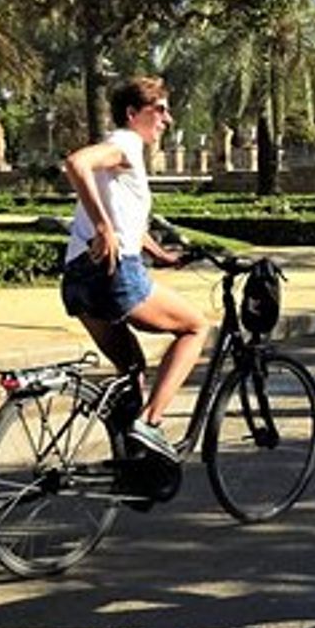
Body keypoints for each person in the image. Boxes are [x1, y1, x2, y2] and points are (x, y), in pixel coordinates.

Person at [61, 77, 209, 459]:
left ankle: (130, 460)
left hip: (78, 281)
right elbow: (76, 163)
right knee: (196, 327)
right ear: (132, 114)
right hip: (113, 275)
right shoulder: (124, 143)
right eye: (158, 109)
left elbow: (127, 221)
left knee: (131, 369)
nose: (167, 119)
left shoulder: (128, 156)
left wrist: (159, 254)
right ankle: (152, 422)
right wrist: (101, 226)